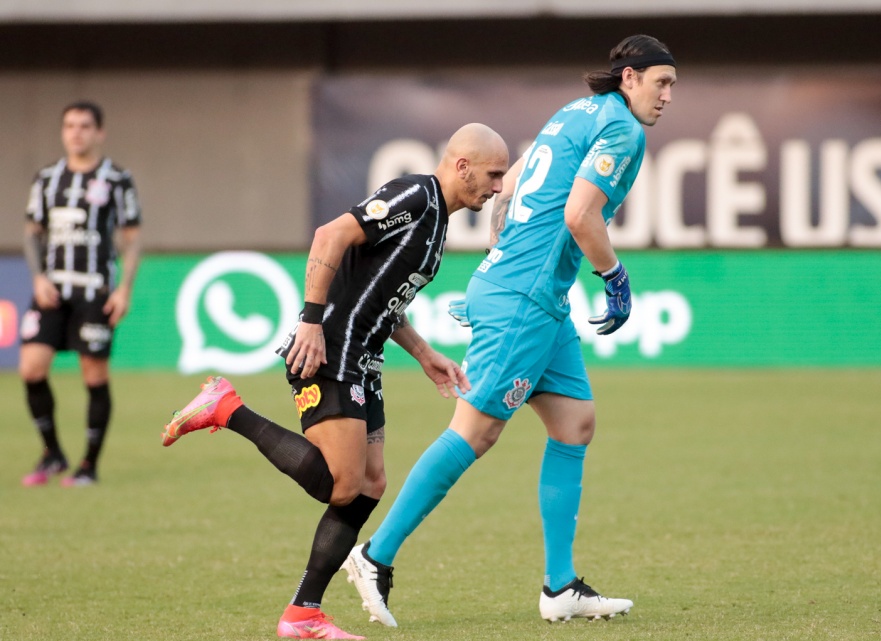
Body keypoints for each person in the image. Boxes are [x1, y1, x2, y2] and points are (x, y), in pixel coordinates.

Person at [343, 34, 677, 626]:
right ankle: (375, 555)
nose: (668, 95)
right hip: (524, 300)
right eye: (661, 82)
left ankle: (559, 589)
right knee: (475, 431)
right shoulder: (624, 129)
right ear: (630, 78)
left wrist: (504, 253)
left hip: (532, 298)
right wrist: (615, 277)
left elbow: (515, 180)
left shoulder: (577, 112)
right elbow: (579, 215)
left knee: (575, 423)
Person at [160, 123, 509, 640]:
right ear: (462, 166)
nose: (499, 186)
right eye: (493, 173)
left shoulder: (437, 221)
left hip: (362, 357)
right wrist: (309, 320)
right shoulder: (417, 194)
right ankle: (226, 407)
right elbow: (331, 234)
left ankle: (304, 613)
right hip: (330, 350)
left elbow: (381, 295)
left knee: (369, 483)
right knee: (340, 483)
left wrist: (423, 353)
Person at [20, 101, 143, 488]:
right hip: (52, 290)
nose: (77, 132)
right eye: (70, 125)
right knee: (31, 369)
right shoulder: (46, 179)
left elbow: (132, 238)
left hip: (94, 291)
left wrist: (124, 288)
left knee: (94, 376)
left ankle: (88, 465)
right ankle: (52, 453)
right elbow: (31, 232)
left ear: (99, 132)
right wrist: (37, 278)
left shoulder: (117, 179)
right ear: (63, 132)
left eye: (85, 126)